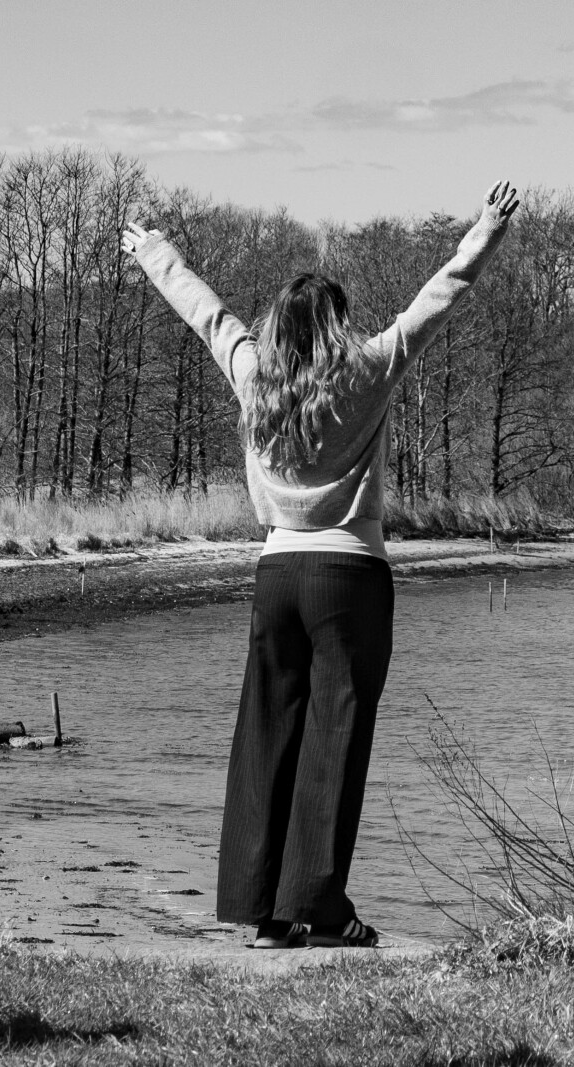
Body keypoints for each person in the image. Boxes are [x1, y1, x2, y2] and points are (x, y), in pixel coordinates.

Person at [121, 181, 520, 949]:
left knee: (267, 735)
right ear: (337, 325)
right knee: (334, 739)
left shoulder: (253, 374)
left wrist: (153, 251)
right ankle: (323, 908)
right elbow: (441, 295)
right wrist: (487, 228)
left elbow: (206, 314)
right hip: (350, 577)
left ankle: (266, 914)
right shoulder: (368, 369)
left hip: (277, 577)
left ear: (277, 326)